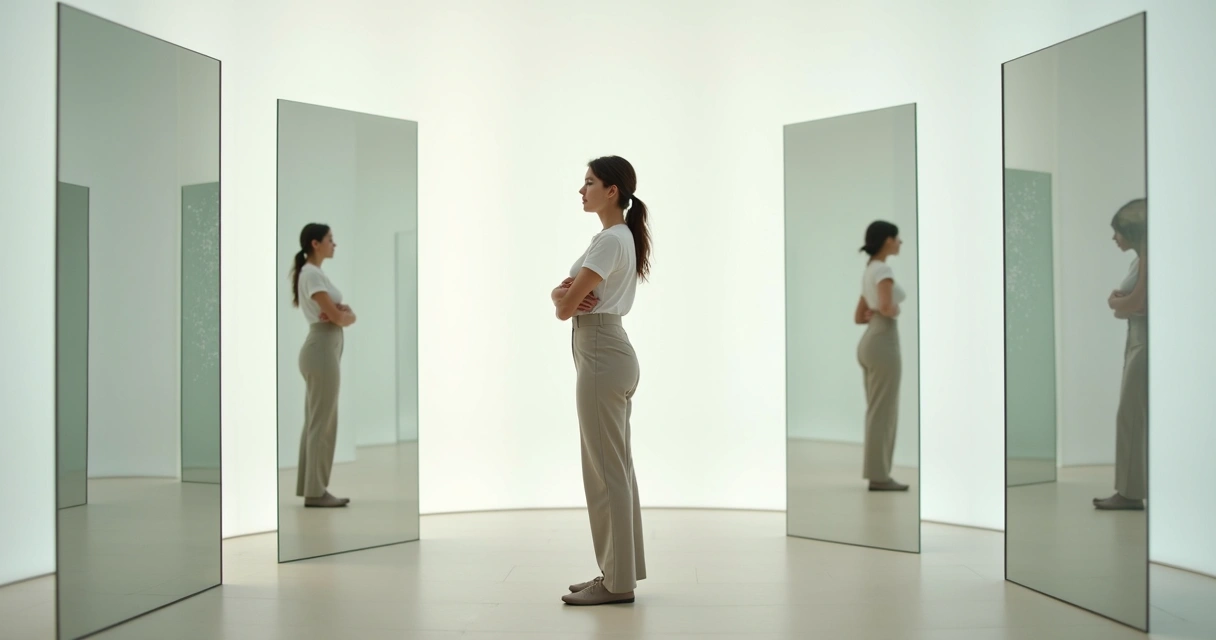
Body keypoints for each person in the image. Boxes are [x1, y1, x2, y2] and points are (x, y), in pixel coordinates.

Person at [552, 156, 651, 606]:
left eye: (589, 182)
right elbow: (565, 297)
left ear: (612, 191)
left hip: (600, 351)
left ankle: (616, 583)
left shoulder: (610, 240)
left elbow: (563, 307)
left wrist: (562, 297)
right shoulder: (616, 237)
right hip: (609, 350)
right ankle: (619, 571)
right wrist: (562, 295)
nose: (582, 190)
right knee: (616, 468)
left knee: (605, 472)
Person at [289, 223, 357, 508]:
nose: (334, 243)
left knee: (317, 422)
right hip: (321, 351)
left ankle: (312, 489)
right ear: (315, 244)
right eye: (330, 239)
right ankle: (316, 493)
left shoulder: (313, 273)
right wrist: (347, 315)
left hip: (322, 350)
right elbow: (340, 318)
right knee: (322, 424)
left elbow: (339, 315)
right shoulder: (312, 275)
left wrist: (343, 314)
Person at [1096, 199, 1148, 511]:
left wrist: (1116, 302)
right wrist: (1123, 303)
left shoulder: (1149, 259)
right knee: (1132, 414)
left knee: (1131, 414)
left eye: (1117, 231)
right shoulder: (1139, 261)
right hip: (1137, 337)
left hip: (1145, 342)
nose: (1114, 237)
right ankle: (1131, 489)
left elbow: (1137, 303)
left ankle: (1129, 494)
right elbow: (1133, 305)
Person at [854, 221, 909, 492]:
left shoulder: (870, 270)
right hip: (883, 341)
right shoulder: (884, 270)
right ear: (887, 240)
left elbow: (858, 316)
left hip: (868, 342)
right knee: (883, 412)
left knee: (877, 410)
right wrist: (895, 309)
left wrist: (875, 311)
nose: (900, 242)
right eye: (897, 238)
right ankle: (879, 477)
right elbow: (887, 308)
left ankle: (878, 474)